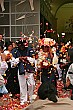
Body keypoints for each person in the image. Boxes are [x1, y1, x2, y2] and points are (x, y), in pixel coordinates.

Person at [12, 38, 35, 105]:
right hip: (21, 69)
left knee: (31, 84)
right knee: (22, 85)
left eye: (23, 45)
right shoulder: (15, 51)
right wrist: (19, 59)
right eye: (20, 45)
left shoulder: (30, 50)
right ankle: (23, 99)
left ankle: (31, 98)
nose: (22, 47)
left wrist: (27, 58)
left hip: (29, 69)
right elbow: (12, 62)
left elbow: (34, 60)